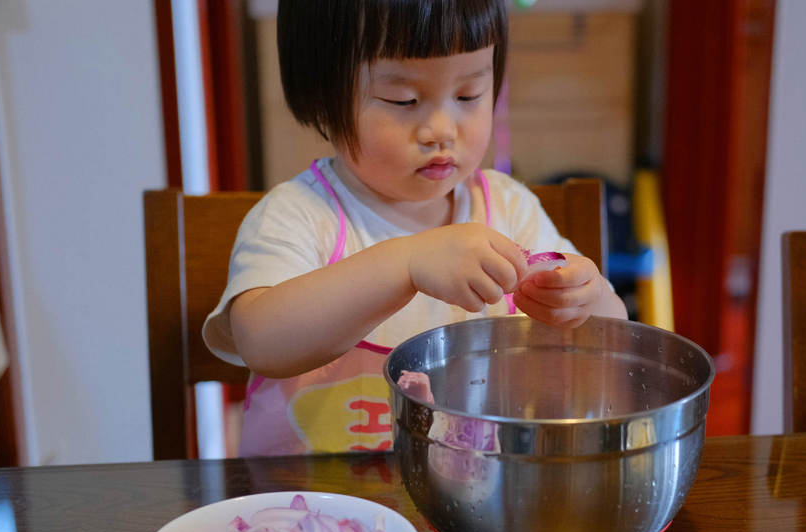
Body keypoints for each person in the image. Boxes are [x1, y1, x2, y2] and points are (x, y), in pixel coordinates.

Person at [203, 0, 627, 457]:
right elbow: (262, 342)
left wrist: (586, 297)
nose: (441, 130)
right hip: (312, 509)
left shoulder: (508, 208)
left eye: (469, 95)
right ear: (321, 98)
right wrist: (405, 262)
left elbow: (608, 339)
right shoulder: (300, 215)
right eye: (404, 101)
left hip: (474, 500)